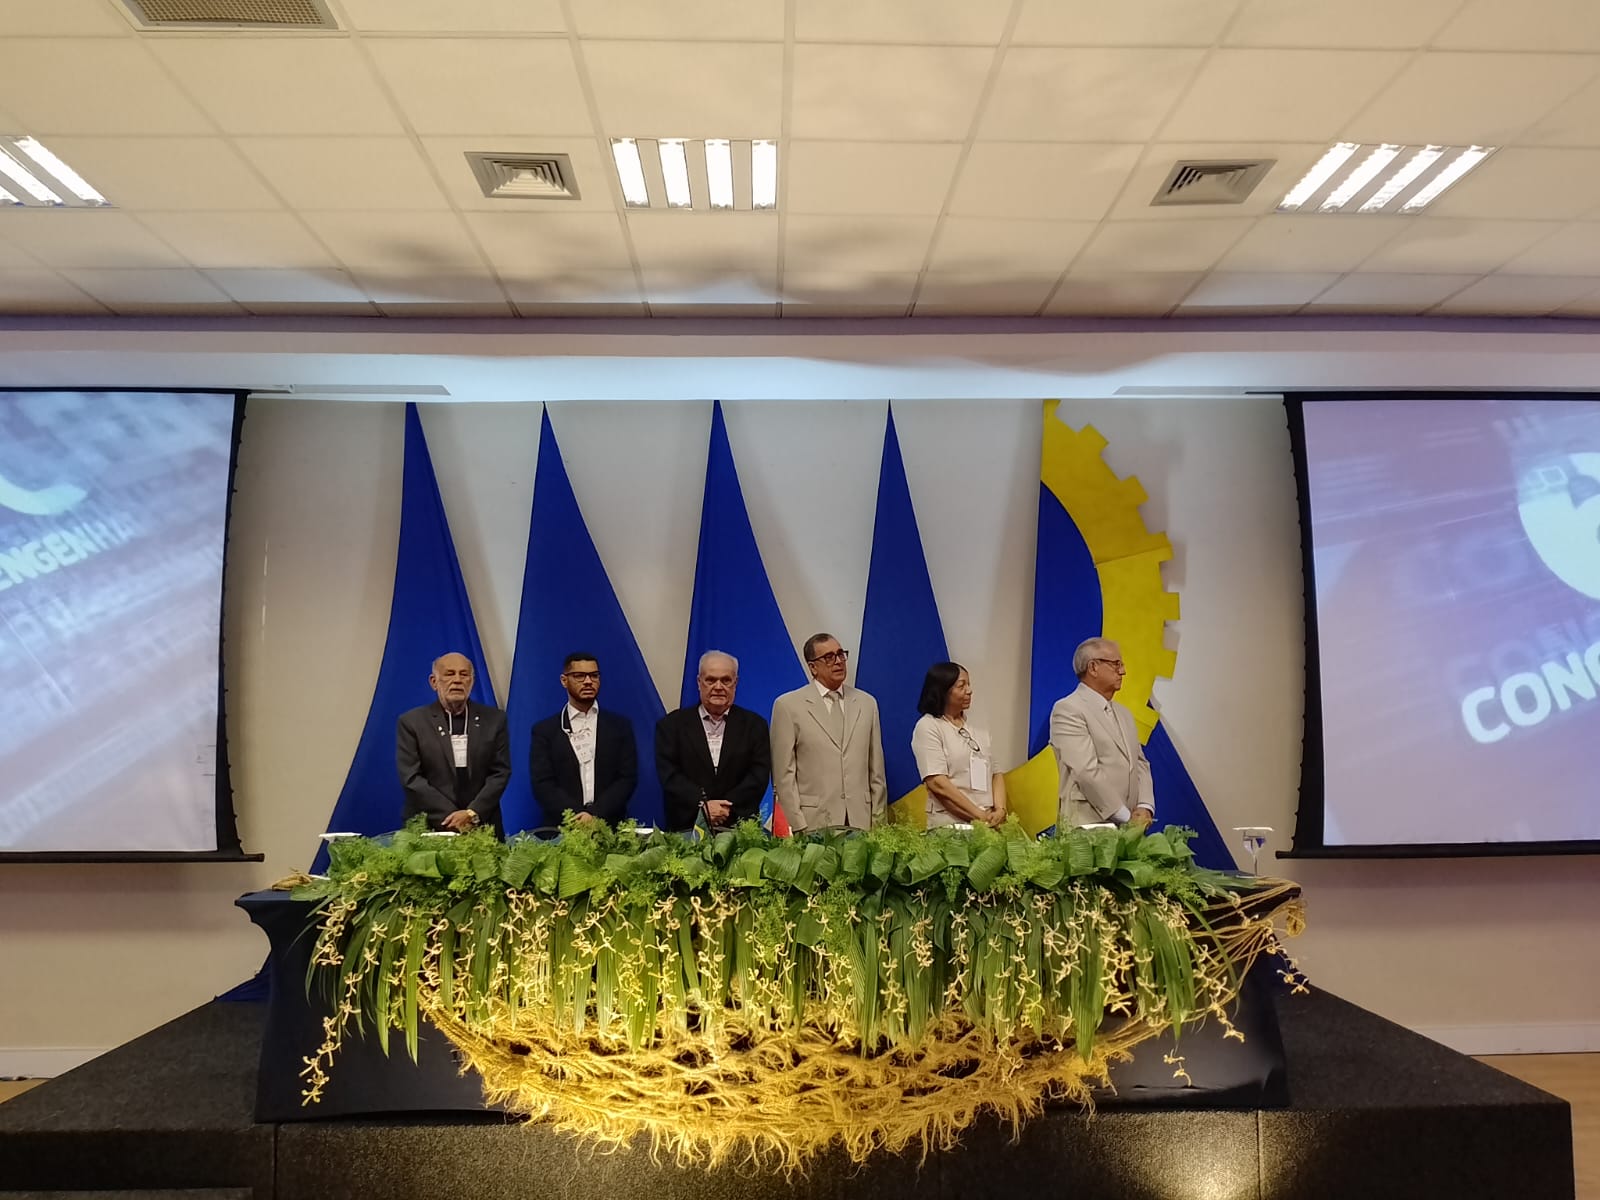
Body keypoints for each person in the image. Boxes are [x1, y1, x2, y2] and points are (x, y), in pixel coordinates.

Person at [770, 632, 887, 833]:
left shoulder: (867, 703)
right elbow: (783, 776)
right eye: (829, 657)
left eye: (841, 654)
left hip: (861, 824)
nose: (838, 661)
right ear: (813, 667)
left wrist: (878, 825)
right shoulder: (788, 706)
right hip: (813, 825)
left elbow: (876, 771)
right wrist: (797, 826)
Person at [396, 651, 510, 835]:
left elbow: (500, 773)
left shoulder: (495, 720)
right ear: (434, 682)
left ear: (472, 681)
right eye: (449, 674)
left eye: (464, 674)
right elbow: (411, 778)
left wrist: (471, 813)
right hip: (429, 824)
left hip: (481, 823)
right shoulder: (412, 722)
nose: (457, 680)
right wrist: (453, 817)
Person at [655, 650, 771, 832]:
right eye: (710, 680)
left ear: (735, 683)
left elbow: (758, 775)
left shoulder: (755, 725)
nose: (718, 687)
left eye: (726, 680)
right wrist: (703, 806)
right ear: (699, 682)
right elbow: (669, 775)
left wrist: (725, 807)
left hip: (739, 826)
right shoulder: (671, 725)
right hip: (686, 826)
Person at [1049, 637, 1154, 829]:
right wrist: (1125, 817)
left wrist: (1145, 806)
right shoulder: (1068, 710)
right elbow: (1085, 770)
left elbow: (1139, 762)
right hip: (1088, 828)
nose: (1123, 671)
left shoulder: (1124, 713)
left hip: (1130, 828)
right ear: (1093, 667)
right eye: (1116, 664)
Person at [529, 651, 637, 828]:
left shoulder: (620, 726)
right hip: (564, 826)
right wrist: (576, 816)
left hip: (609, 824)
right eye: (579, 676)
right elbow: (543, 783)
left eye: (594, 675)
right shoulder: (545, 731)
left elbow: (627, 778)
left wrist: (595, 814)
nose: (588, 681)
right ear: (564, 680)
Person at [911, 662, 1007, 829]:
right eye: (962, 686)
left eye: (969, 684)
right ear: (943, 690)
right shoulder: (928, 726)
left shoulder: (978, 724)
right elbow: (937, 783)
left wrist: (1000, 810)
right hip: (949, 825)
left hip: (987, 823)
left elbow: (995, 772)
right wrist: (980, 816)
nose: (969, 691)